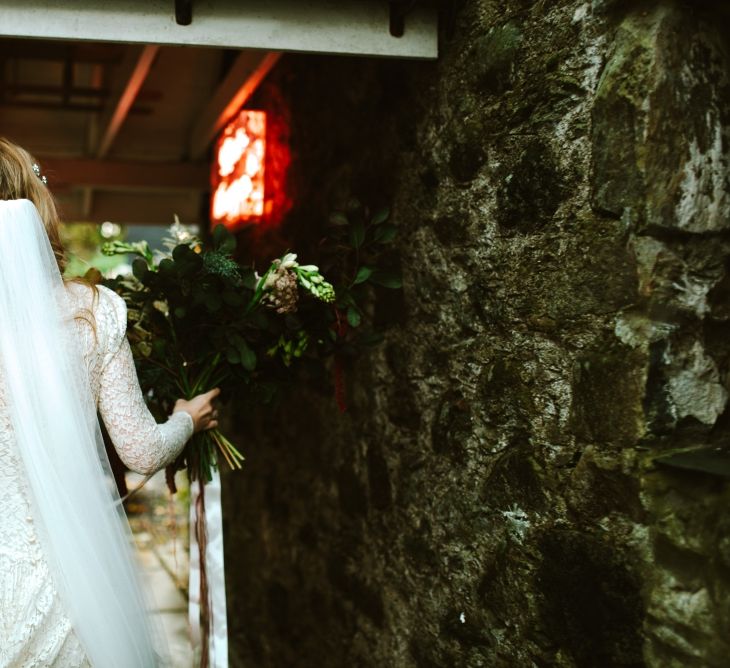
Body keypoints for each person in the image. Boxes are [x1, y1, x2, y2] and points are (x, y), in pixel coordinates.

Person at [0, 137, 219, 667]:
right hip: (65, 583)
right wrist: (187, 419)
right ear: (36, 206)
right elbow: (141, 450)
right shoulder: (91, 312)